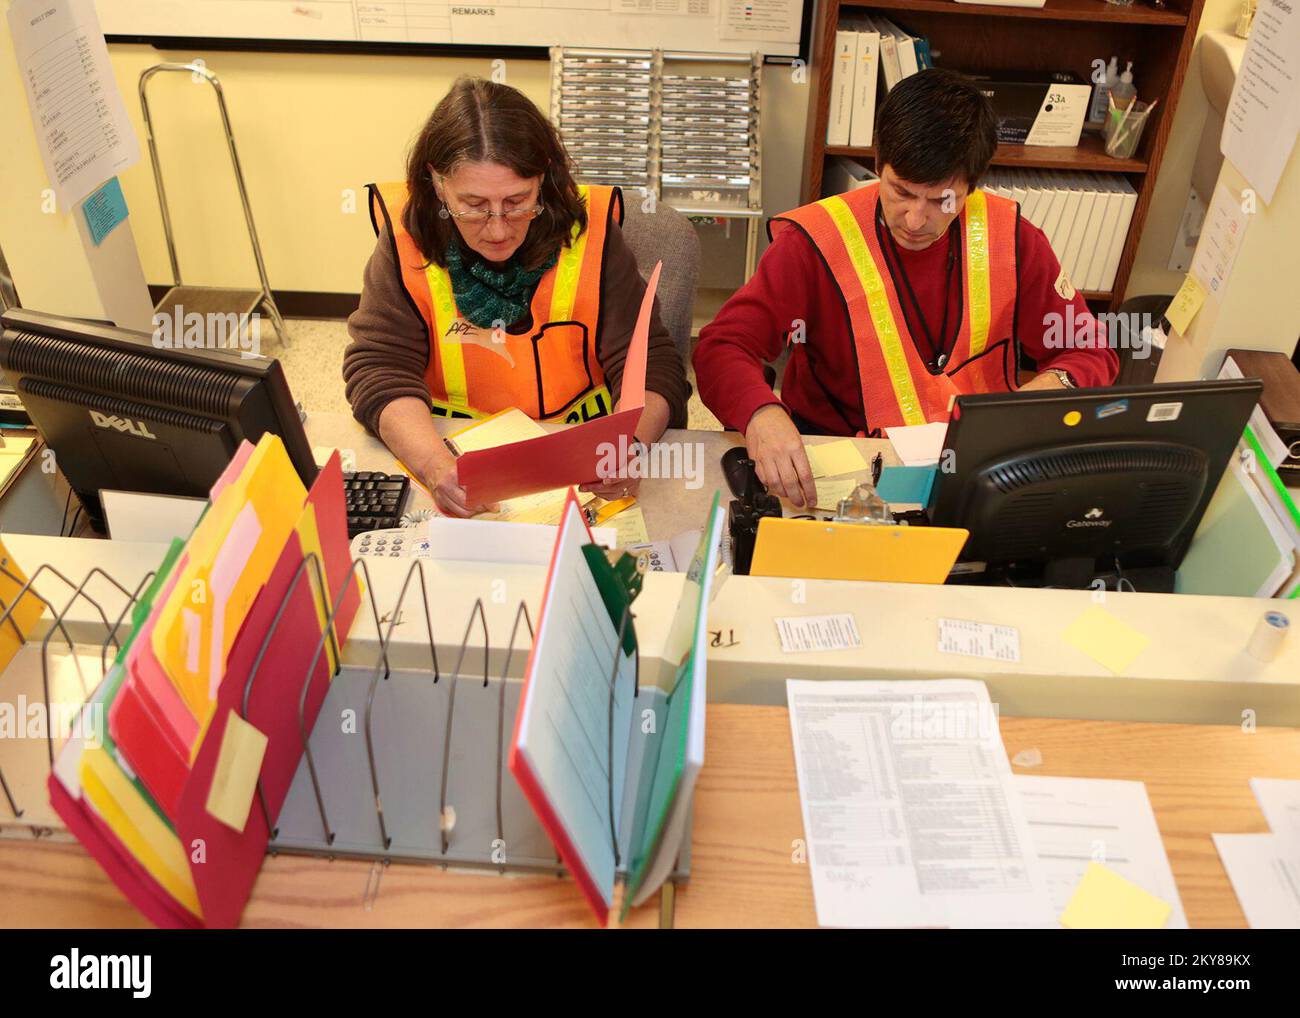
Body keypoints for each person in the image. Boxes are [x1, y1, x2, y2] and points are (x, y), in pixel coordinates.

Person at [693, 68, 1119, 508]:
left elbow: (1090, 350)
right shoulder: (815, 240)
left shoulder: (1013, 240)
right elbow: (721, 346)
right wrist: (763, 415)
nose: (916, 220)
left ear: (973, 185)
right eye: (900, 191)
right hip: (845, 470)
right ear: (878, 163)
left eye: (941, 201)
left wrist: (1038, 397)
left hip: (973, 471)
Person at [344, 76, 688, 517]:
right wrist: (435, 467)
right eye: (473, 204)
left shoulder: (594, 234)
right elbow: (378, 367)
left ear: (542, 179)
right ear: (436, 182)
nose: (498, 229)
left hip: (577, 477)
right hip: (455, 462)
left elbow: (653, 363)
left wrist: (630, 447)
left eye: (517, 201)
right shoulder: (406, 240)